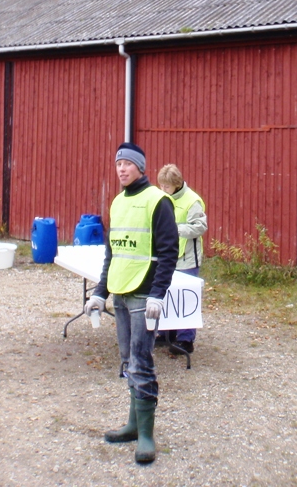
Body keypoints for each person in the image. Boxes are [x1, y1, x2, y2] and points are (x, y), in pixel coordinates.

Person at [84, 143, 179, 464]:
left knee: (142, 361)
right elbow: (113, 252)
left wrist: (158, 293)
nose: (121, 169)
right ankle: (132, 425)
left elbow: (168, 252)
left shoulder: (158, 200)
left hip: (143, 293)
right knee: (128, 361)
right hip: (121, 292)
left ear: (140, 167)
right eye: (117, 164)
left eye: (127, 164)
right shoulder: (117, 201)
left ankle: (147, 435)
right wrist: (100, 292)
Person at [156, 164, 206, 353]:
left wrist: (176, 229)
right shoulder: (163, 198)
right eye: (161, 186)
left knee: (186, 297)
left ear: (176, 185)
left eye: (166, 186)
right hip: (167, 256)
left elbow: (200, 227)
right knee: (166, 294)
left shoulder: (193, 201)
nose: (163, 189)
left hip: (187, 258)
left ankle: (186, 339)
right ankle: (166, 333)